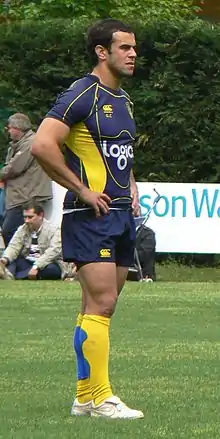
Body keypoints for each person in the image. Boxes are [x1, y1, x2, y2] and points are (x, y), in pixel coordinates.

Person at [31, 18, 143, 419]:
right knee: (103, 302)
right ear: (102, 51)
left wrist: (130, 185)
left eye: (134, 48)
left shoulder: (124, 101)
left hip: (119, 216)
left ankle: (85, 396)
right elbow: (43, 145)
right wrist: (79, 189)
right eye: (125, 48)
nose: (133, 54)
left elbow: (119, 155)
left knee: (100, 307)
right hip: (89, 215)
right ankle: (104, 398)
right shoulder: (83, 94)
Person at [0, 113, 53, 246]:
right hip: (20, 195)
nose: (8, 131)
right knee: (19, 232)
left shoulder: (30, 143)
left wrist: (3, 172)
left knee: (9, 230)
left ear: (18, 128)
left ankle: (16, 263)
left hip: (27, 196)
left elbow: (14, 168)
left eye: (10, 128)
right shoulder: (19, 144)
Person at [0, 203, 66, 280]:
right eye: (25, 217)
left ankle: (13, 275)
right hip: (27, 262)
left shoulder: (54, 229)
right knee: (11, 263)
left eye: (30, 217)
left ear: (41, 215)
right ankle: (22, 275)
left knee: (52, 270)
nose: (27, 220)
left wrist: (36, 266)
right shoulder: (22, 229)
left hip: (47, 263)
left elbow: (53, 251)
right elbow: (14, 247)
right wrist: (4, 260)